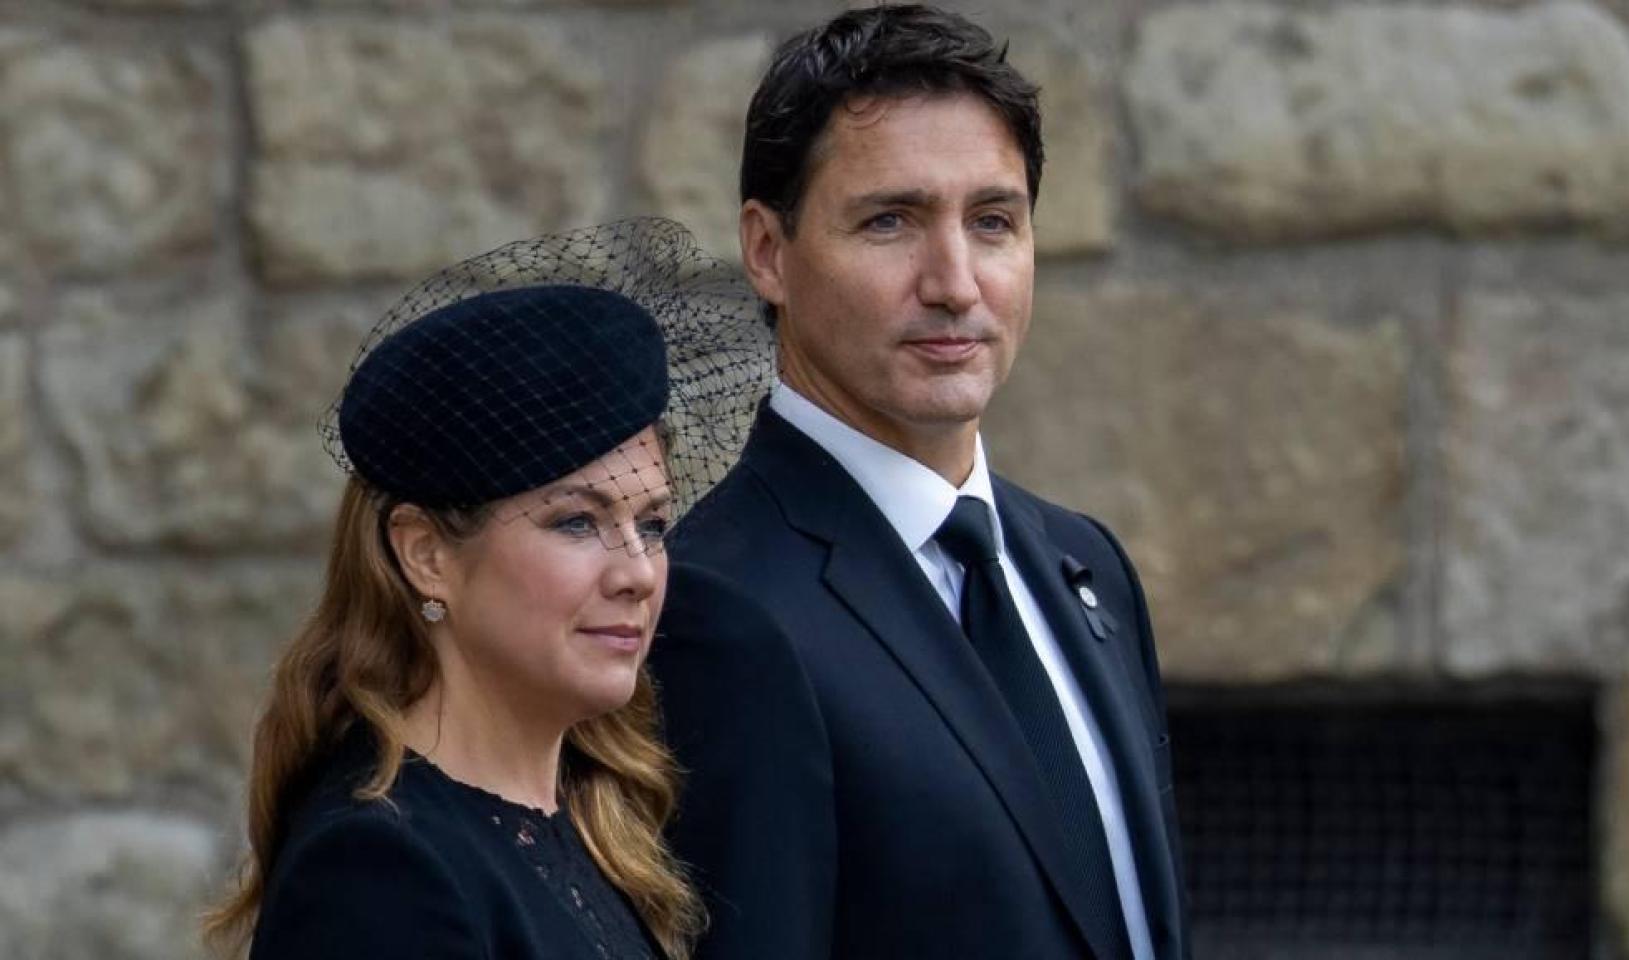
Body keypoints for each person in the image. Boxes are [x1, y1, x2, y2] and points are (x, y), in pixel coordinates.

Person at [650, 6, 1191, 960]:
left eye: (992, 222)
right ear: (768, 252)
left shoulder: (1087, 564)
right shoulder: (714, 607)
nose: (954, 281)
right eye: (890, 221)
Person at [202, 222, 773, 960]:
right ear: (425, 554)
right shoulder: (380, 872)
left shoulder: (587, 826)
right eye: (576, 522)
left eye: (653, 524)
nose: (636, 571)